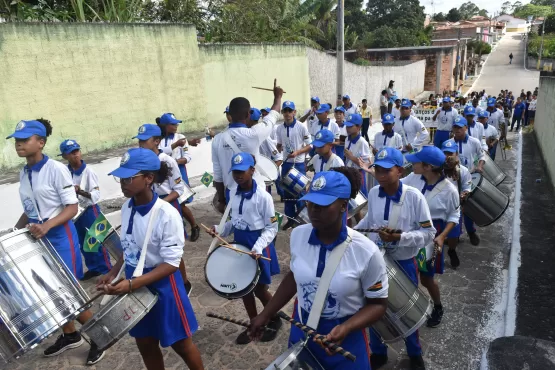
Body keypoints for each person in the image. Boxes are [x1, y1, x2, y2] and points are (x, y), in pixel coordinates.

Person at [249, 169, 389, 370]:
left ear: (343, 205)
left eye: (323, 204)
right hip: (302, 329)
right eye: (310, 202)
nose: (313, 209)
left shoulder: (366, 251)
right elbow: (294, 276)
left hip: (345, 338)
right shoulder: (298, 236)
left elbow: (378, 304)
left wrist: (346, 328)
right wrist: (266, 313)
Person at [9, 119, 104, 365]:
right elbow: (30, 209)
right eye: (17, 140)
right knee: (51, 293)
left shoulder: (56, 169)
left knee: (71, 295)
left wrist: (47, 226)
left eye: (25, 140)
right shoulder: (25, 171)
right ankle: (70, 334)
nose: (19, 144)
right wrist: (14, 232)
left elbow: (72, 207)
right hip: (38, 240)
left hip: (61, 238)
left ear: (40, 143)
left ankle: (100, 338)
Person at [101, 148, 203, 370]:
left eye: (129, 177)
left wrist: (132, 283)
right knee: (145, 343)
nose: (122, 183)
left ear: (149, 179)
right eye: (120, 177)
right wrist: (113, 272)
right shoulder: (127, 206)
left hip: (164, 287)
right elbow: (128, 247)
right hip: (135, 285)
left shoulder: (167, 214)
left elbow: (171, 264)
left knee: (181, 344)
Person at [355, 147, 435, 370]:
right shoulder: (373, 193)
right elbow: (371, 219)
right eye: (377, 169)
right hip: (376, 261)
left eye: (386, 170)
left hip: (404, 262)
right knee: (373, 306)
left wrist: (401, 238)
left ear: (399, 171)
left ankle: (414, 352)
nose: (380, 174)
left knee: (406, 309)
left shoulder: (414, 197)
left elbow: (429, 233)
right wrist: (353, 233)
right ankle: (378, 352)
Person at [208, 152, 282, 344]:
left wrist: (257, 247)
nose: (238, 176)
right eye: (235, 172)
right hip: (240, 244)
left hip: (258, 245)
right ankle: (253, 323)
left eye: (242, 171)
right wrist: (219, 229)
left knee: (260, 289)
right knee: (244, 288)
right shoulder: (232, 193)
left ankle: (273, 317)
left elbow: (271, 227)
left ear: (252, 170)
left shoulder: (263, 197)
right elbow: (234, 222)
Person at [401, 146, 460, 328]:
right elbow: (396, 183)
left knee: (426, 278)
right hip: (411, 230)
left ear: (427, 166)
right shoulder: (414, 177)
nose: (412, 163)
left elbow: (454, 216)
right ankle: (408, 308)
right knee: (406, 272)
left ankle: (438, 306)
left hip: (432, 235)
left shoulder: (449, 190)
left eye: (416, 161)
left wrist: (442, 237)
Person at [134, 124, 194, 295]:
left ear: (157, 141)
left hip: (166, 203)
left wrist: (160, 204)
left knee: (172, 248)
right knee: (152, 244)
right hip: (147, 204)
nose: (141, 144)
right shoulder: (141, 163)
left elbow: (179, 189)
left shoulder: (167, 161)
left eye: (145, 141)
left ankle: (183, 282)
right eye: (139, 140)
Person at [212, 80, 283, 209]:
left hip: (231, 195)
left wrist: (222, 200)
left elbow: (218, 174)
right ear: (247, 114)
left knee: (238, 226)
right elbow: (273, 115)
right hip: (255, 193)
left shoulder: (217, 139)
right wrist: (277, 97)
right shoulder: (254, 134)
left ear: (229, 115)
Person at [59, 139, 112, 281]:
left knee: (96, 240)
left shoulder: (89, 172)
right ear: (65, 156)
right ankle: (94, 268)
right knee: (83, 242)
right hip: (75, 211)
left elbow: (95, 196)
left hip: (90, 210)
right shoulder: (65, 172)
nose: (75, 155)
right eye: (71, 153)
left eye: (76, 151)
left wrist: (80, 191)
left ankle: (107, 270)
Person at [156, 113, 200, 242]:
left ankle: (194, 225)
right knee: (170, 203)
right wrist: (174, 146)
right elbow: (159, 152)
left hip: (178, 172)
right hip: (162, 175)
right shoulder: (159, 139)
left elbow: (188, 156)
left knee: (180, 203)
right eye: (172, 124)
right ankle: (179, 224)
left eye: (176, 124)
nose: (176, 126)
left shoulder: (181, 137)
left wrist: (176, 162)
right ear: (165, 126)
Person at [276, 100, 312, 230]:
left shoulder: (301, 127)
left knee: (300, 194)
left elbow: (310, 145)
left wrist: (297, 152)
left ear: (294, 112)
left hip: (299, 164)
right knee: (287, 195)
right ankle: (291, 220)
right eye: (285, 111)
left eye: (289, 111)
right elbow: (279, 144)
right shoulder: (279, 128)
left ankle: (303, 221)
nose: (287, 113)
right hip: (286, 164)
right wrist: (278, 148)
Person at [451, 117, 484, 246]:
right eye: (455, 127)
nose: (457, 130)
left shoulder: (474, 142)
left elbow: (481, 156)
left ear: (466, 128)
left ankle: (471, 231)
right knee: (454, 209)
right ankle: (455, 235)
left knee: (468, 209)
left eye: (460, 127)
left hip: (468, 178)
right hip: (452, 180)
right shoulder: (449, 143)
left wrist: (480, 166)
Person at [441, 139, 471, 268]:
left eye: (450, 153)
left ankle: (452, 250)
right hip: (438, 206)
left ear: (456, 154)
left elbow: (467, 187)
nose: (448, 156)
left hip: (454, 207)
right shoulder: (437, 169)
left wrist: (464, 194)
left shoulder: (463, 171)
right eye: (445, 153)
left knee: (454, 235)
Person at [250, 108, 284, 194]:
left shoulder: (265, 138)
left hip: (263, 177)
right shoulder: (245, 135)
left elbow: (279, 158)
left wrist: (269, 172)